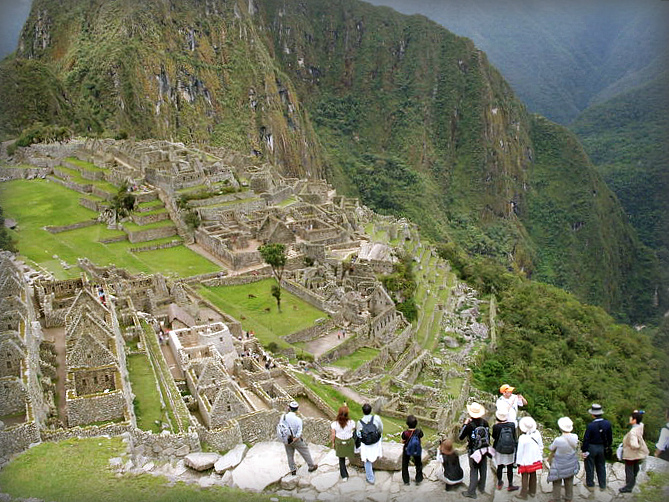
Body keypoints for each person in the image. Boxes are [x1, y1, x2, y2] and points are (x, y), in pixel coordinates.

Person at [459, 402, 492, 499]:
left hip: (473, 451)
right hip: (484, 449)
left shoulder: (469, 425)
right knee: (483, 468)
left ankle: (471, 492)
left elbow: (460, 437)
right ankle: (481, 487)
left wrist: (464, 425)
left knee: (474, 470)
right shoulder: (485, 422)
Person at [581, 403, 613, 491]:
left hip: (591, 447)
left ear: (592, 414)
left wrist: (584, 450)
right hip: (602, 447)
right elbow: (610, 438)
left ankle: (590, 485)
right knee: (601, 466)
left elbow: (586, 439)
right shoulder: (607, 424)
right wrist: (607, 446)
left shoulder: (590, 425)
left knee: (590, 466)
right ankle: (602, 485)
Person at [547, 417, 580, 502]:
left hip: (559, 464)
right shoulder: (575, 437)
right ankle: (568, 498)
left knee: (557, 481)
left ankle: (556, 498)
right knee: (569, 481)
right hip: (570, 463)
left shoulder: (558, 440)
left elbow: (551, 448)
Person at [281, 401, 318, 476]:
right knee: (305, 451)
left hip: (286, 438)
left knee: (290, 455)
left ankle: (293, 469)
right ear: (297, 409)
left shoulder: (283, 417)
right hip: (295, 440)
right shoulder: (298, 420)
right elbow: (298, 434)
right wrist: (293, 440)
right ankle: (311, 466)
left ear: (289, 408)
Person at [619, 410, 649, 493]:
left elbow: (634, 444)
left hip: (630, 453)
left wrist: (636, 446)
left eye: (631, 418)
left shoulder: (633, 432)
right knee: (635, 467)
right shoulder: (640, 426)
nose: (630, 419)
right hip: (637, 454)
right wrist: (638, 413)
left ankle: (628, 487)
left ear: (634, 420)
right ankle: (633, 481)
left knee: (629, 470)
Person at [516, 416, 543, 500]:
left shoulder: (522, 438)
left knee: (524, 476)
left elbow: (520, 451)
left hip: (525, 460)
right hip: (535, 458)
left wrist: (518, 462)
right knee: (533, 474)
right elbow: (541, 445)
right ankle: (532, 491)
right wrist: (540, 456)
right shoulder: (537, 433)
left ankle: (523, 494)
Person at [492, 408, 519, 491]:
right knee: (509, 467)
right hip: (510, 449)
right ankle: (510, 485)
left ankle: (500, 483)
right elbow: (514, 436)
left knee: (499, 466)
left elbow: (493, 436)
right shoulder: (512, 425)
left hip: (499, 449)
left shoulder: (496, 426)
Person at [356, 403, 383, 485]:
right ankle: (379, 453)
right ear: (371, 410)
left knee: (367, 460)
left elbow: (358, 434)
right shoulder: (376, 418)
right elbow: (380, 429)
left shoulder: (359, 422)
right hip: (376, 442)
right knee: (380, 436)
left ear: (363, 411)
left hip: (366, 444)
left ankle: (370, 478)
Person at [330, 405, 356, 481]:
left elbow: (333, 435)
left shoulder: (334, 424)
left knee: (341, 459)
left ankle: (344, 475)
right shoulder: (352, 422)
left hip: (340, 442)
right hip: (349, 442)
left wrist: (333, 443)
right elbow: (354, 429)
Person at [401, 414, 424, 485]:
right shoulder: (419, 431)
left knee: (405, 464)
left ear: (407, 424)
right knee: (418, 464)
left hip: (407, 449)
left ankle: (406, 481)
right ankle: (418, 479)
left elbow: (402, 441)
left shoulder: (405, 433)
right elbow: (421, 439)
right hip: (416, 449)